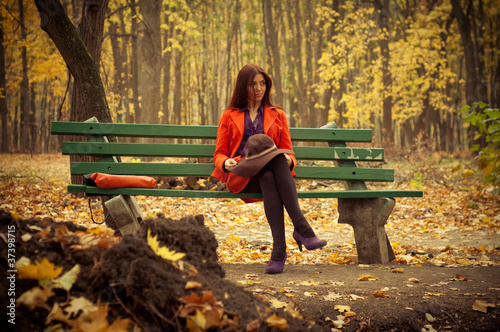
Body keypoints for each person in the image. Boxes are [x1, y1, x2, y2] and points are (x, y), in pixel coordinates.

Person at [211, 64, 327, 274]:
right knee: (273, 161)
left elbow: (289, 152)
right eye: (252, 84)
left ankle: (279, 251)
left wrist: (288, 160)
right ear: (242, 87)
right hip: (242, 173)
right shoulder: (229, 115)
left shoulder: (277, 114)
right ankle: (303, 229)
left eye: (262, 83)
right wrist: (225, 162)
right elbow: (219, 153)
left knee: (271, 165)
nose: (259, 88)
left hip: (270, 173)